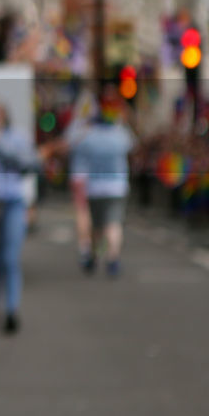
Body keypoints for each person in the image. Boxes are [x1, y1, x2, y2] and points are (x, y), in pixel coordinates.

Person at [0, 101, 44, 334]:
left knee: (10, 259)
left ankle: (11, 311)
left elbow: (30, 163)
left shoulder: (18, 137)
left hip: (14, 203)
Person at [70, 86, 134, 277]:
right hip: (117, 186)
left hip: (96, 187)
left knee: (97, 226)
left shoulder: (89, 135)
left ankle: (96, 255)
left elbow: (75, 146)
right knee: (114, 223)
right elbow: (132, 147)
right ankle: (113, 257)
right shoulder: (121, 134)